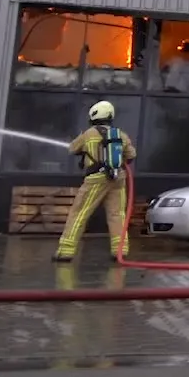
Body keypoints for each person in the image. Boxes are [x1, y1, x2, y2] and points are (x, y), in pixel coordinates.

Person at [54, 100, 138, 263]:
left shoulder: (88, 134)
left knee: (79, 213)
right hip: (118, 178)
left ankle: (65, 251)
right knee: (117, 215)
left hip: (95, 179)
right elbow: (132, 155)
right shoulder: (120, 134)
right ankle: (120, 251)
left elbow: (72, 149)